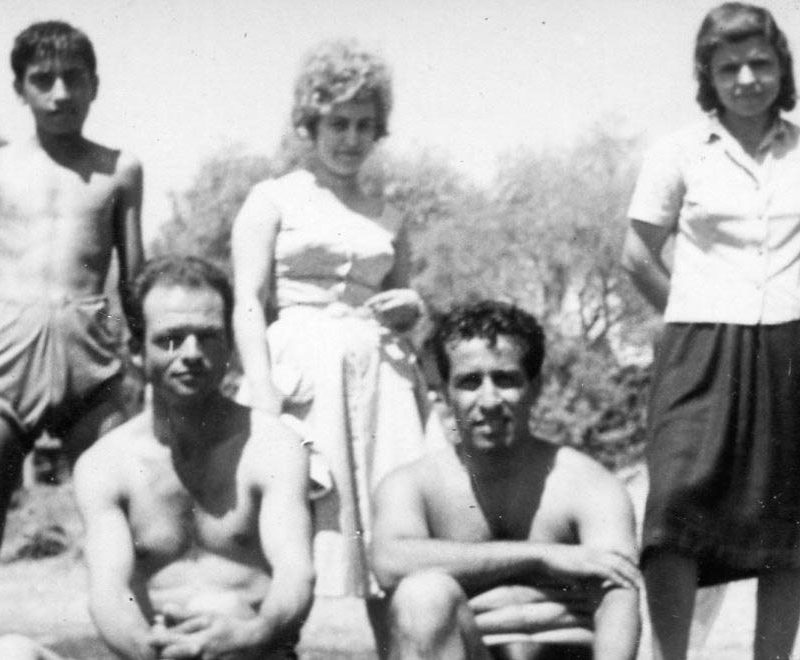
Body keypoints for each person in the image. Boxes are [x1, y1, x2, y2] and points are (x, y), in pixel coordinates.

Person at [231, 39, 437, 621]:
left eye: (364, 126)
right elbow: (247, 300)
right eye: (338, 124)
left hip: (381, 381)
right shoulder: (272, 199)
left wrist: (411, 307)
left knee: (392, 532)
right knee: (290, 530)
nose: (351, 139)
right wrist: (261, 387)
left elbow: (406, 307)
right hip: (300, 374)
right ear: (310, 124)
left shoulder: (389, 216)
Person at [621, 4, 800, 659]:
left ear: (782, 67)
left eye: (760, 63)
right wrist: (690, 311)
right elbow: (636, 254)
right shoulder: (679, 152)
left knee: (788, 521)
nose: (747, 79)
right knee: (673, 506)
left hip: (790, 346)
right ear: (709, 77)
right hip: (699, 349)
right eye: (729, 68)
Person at [69, 256, 313, 660]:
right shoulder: (105, 464)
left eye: (209, 337)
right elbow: (109, 594)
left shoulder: (272, 446)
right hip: (154, 652)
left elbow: (296, 574)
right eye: (171, 338)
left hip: (251, 651)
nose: (192, 353)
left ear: (229, 346)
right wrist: (157, 651)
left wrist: (249, 635)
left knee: (226, 607)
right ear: (136, 350)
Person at [370, 301, 640, 660]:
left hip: (567, 653)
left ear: (535, 387)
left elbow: (619, 593)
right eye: (469, 382)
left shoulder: (587, 483)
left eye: (505, 379)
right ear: (446, 392)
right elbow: (389, 563)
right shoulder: (412, 484)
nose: (489, 400)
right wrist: (542, 556)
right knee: (422, 595)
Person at [0, 21, 144, 548]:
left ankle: (125, 602)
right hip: (8, 350)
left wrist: (139, 352)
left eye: (73, 77)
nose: (60, 93)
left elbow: (133, 280)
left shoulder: (119, 170)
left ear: (94, 85)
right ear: (20, 89)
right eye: (43, 79)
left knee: (121, 512)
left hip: (91, 357)